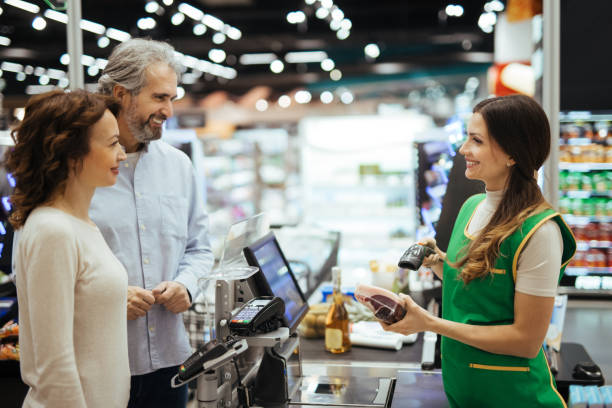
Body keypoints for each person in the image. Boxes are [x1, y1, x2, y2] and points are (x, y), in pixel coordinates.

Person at [384, 94, 576, 407]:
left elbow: (526, 341)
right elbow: (480, 292)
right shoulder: (472, 206)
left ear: (513, 153)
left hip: (514, 397)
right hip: (465, 389)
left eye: (476, 140)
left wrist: (430, 323)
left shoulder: (540, 232)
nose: (463, 150)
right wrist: (439, 264)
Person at [90, 38, 214, 408]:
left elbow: (200, 247)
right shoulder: (75, 171)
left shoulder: (178, 167)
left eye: (173, 98)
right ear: (120, 94)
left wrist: (186, 285)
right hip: (100, 365)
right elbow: (40, 270)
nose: (170, 111)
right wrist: (106, 298)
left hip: (169, 365)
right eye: (160, 98)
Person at [6, 90, 129, 407]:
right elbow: (54, 365)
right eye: (112, 143)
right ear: (72, 154)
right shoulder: (54, 230)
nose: (123, 154)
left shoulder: (79, 224)